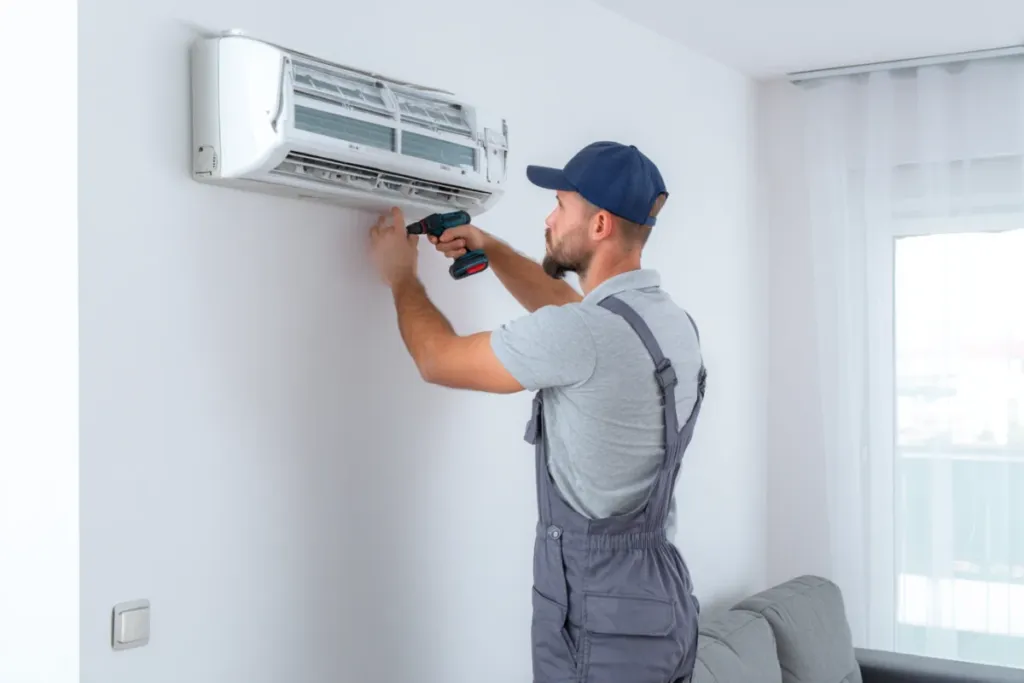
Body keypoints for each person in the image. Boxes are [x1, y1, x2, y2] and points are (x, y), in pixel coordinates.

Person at [368, 141, 706, 683]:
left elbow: (437, 360)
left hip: (598, 617)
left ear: (598, 225)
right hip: (660, 603)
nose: (548, 218)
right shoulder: (669, 322)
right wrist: (492, 249)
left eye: (560, 206)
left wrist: (400, 277)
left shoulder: (585, 335)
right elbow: (575, 319)